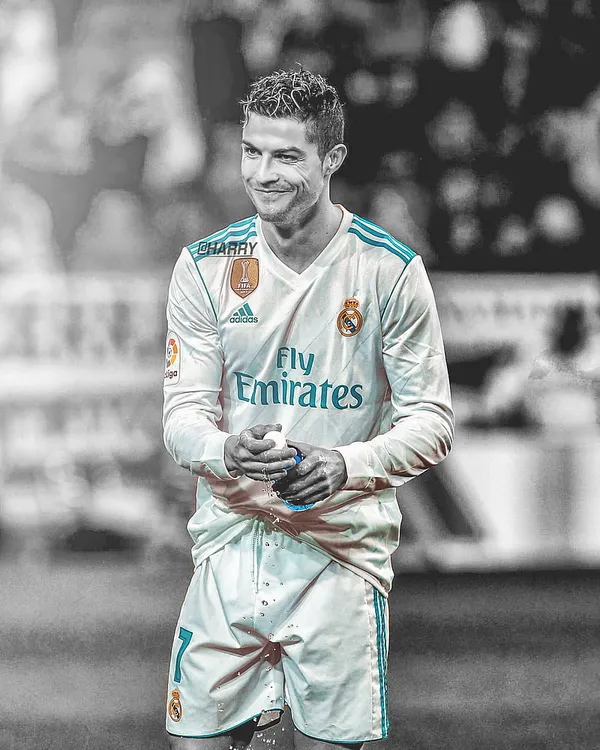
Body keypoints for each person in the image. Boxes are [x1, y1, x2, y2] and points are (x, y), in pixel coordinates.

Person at [162, 68, 454, 750]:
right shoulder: (205, 266)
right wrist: (225, 449)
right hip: (231, 544)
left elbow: (433, 422)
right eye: (252, 151)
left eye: (286, 156)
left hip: (339, 556)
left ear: (332, 158)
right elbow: (182, 416)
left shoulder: (388, 271)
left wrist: (345, 465)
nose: (262, 174)